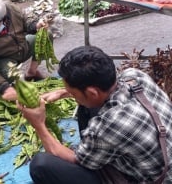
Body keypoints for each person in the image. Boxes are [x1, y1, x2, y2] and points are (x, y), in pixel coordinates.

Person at [17, 46, 172, 183]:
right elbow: (100, 94)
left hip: (151, 179)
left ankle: (93, 155)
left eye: (73, 91)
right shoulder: (134, 75)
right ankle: (95, 150)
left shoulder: (109, 125)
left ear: (92, 92)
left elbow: (76, 160)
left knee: (41, 164)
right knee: (87, 107)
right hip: (161, 155)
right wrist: (63, 93)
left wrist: (38, 124)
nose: (71, 94)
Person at [0, 0, 50, 101]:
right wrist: (4, 88)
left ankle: (32, 72)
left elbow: (25, 18)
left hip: (22, 47)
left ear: (3, 16)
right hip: (5, 60)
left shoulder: (10, 8)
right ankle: (15, 84)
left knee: (45, 35)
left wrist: (36, 25)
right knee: (12, 74)